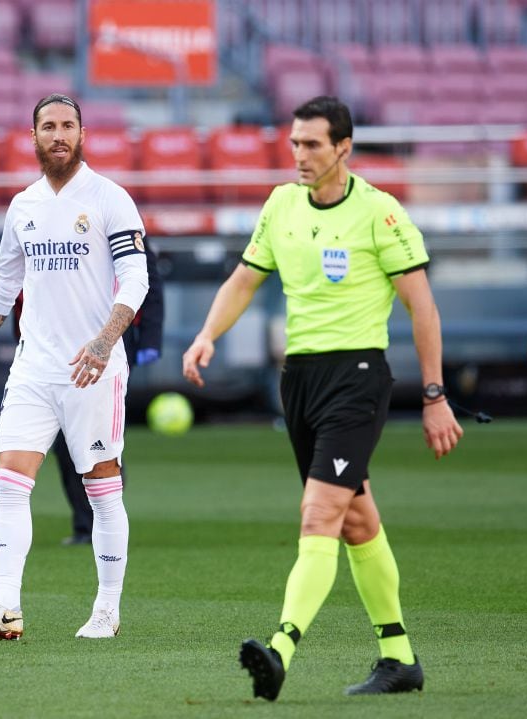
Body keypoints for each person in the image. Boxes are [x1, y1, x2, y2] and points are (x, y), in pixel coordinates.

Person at [182, 96, 462, 700]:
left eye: (312, 144)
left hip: (358, 378)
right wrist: (207, 334)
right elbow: (244, 280)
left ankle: (280, 649)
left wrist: (435, 394)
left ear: (343, 148)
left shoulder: (379, 213)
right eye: (295, 143)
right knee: (357, 520)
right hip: (300, 383)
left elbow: (423, 307)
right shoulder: (281, 204)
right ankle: (399, 658)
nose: (299, 155)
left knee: (319, 515)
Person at [0, 94, 149, 640]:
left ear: (83, 134)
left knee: (102, 489)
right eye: (48, 126)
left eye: (67, 126)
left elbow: (136, 280)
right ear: (32, 136)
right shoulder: (23, 206)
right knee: (10, 483)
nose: (58, 135)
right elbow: (5, 282)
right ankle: (4, 606)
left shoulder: (110, 199)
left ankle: (107, 608)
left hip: (93, 368)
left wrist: (105, 342)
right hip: (34, 366)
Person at [13, 245, 164, 546]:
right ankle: (85, 525)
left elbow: (148, 281)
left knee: (99, 438)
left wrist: (150, 336)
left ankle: (105, 522)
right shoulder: (38, 223)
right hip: (47, 349)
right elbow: (18, 292)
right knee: (63, 442)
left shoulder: (110, 216)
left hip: (108, 345)